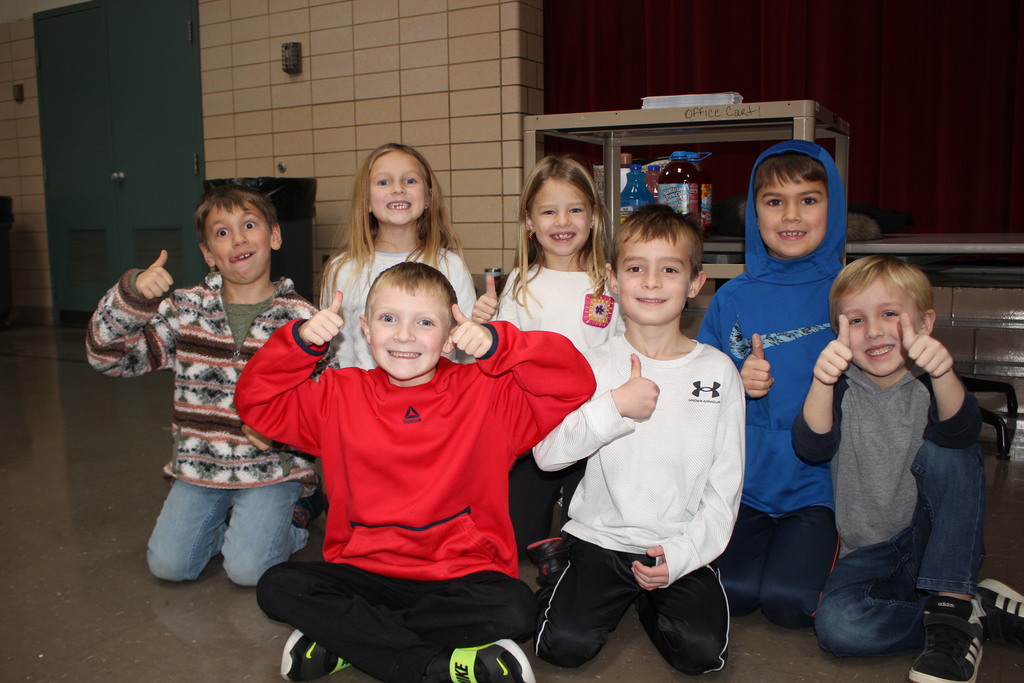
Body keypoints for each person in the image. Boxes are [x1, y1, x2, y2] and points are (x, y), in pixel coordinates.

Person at [234, 261, 596, 683]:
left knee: (515, 608)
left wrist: (500, 344)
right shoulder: (337, 396)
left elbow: (574, 382)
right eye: (389, 319)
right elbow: (257, 405)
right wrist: (297, 344)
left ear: (448, 339)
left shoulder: (488, 395)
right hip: (364, 570)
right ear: (366, 331)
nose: (404, 335)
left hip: (462, 574)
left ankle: (346, 637)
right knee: (277, 586)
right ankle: (436, 666)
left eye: (425, 322)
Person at [532, 205, 745, 674]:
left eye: (669, 269)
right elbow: (546, 456)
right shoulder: (590, 364)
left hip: (675, 542)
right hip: (599, 539)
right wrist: (612, 408)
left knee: (701, 655)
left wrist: (684, 555)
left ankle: (650, 598)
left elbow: (724, 488)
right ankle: (563, 569)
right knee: (560, 648)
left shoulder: (718, 371)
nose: (651, 282)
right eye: (635, 268)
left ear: (695, 283)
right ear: (612, 279)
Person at [793, 255, 1024, 683]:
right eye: (856, 320)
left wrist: (943, 372)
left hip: (932, 540)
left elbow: (961, 433)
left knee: (950, 450)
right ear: (839, 332)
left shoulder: (933, 385)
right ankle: (968, 613)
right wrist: (822, 382)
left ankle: (953, 599)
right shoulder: (841, 388)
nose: (875, 331)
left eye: (890, 314)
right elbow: (811, 446)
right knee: (838, 627)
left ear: (925, 322)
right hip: (870, 554)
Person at [85, 184, 320, 586]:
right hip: (200, 469)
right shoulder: (184, 309)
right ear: (208, 254)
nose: (239, 238)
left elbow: (322, 400)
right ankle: (233, 522)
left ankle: (296, 518)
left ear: (275, 236)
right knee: (169, 566)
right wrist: (132, 300)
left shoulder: (303, 319)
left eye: (249, 225)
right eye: (222, 232)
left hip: (271, 471)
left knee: (248, 572)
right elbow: (107, 358)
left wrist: (281, 436)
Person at [697, 139, 845, 628]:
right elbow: (698, 395)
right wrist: (733, 382)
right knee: (731, 594)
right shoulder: (731, 297)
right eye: (774, 202)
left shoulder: (851, 294)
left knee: (789, 603)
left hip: (818, 488)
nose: (791, 216)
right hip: (746, 485)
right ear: (753, 213)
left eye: (809, 199)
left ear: (834, 206)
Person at [471, 155, 624, 565]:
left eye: (575, 209)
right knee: (517, 543)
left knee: (590, 545)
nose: (563, 221)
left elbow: (626, 349)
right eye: (549, 211)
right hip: (535, 432)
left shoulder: (609, 284)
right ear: (529, 221)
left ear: (593, 217)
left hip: (594, 434)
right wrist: (481, 330)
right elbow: (498, 360)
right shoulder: (520, 284)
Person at [320, 142, 476, 369]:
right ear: (366, 201)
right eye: (384, 182)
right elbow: (338, 353)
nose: (398, 189)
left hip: (437, 400)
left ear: (428, 198)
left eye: (410, 180)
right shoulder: (343, 269)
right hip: (365, 401)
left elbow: (466, 352)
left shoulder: (450, 266)